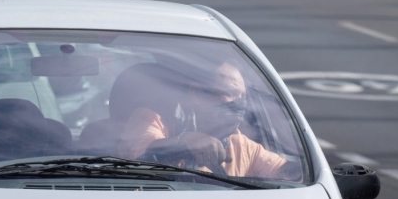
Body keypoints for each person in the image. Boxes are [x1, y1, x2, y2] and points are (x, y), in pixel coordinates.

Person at [118, 62, 295, 180]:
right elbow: (139, 150)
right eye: (231, 93)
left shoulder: (238, 143)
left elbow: (284, 172)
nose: (240, 103)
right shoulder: (151, 118)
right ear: (197, 93)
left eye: (243, 96)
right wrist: (186, 142)